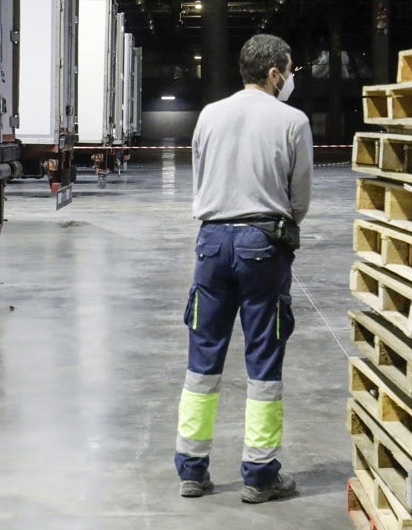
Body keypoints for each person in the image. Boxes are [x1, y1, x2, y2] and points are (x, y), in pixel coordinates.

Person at [174, 33, 313, 504]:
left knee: (202, 361)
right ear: (274, 73)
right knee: (264, 364)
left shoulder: (209, 114)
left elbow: (199, 180)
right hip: (263, 246)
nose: (290, 79)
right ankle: (258, 474)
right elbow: (299, 201)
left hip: (211, 244)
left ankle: (192, 470)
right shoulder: (292, 120)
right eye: (289, 71)